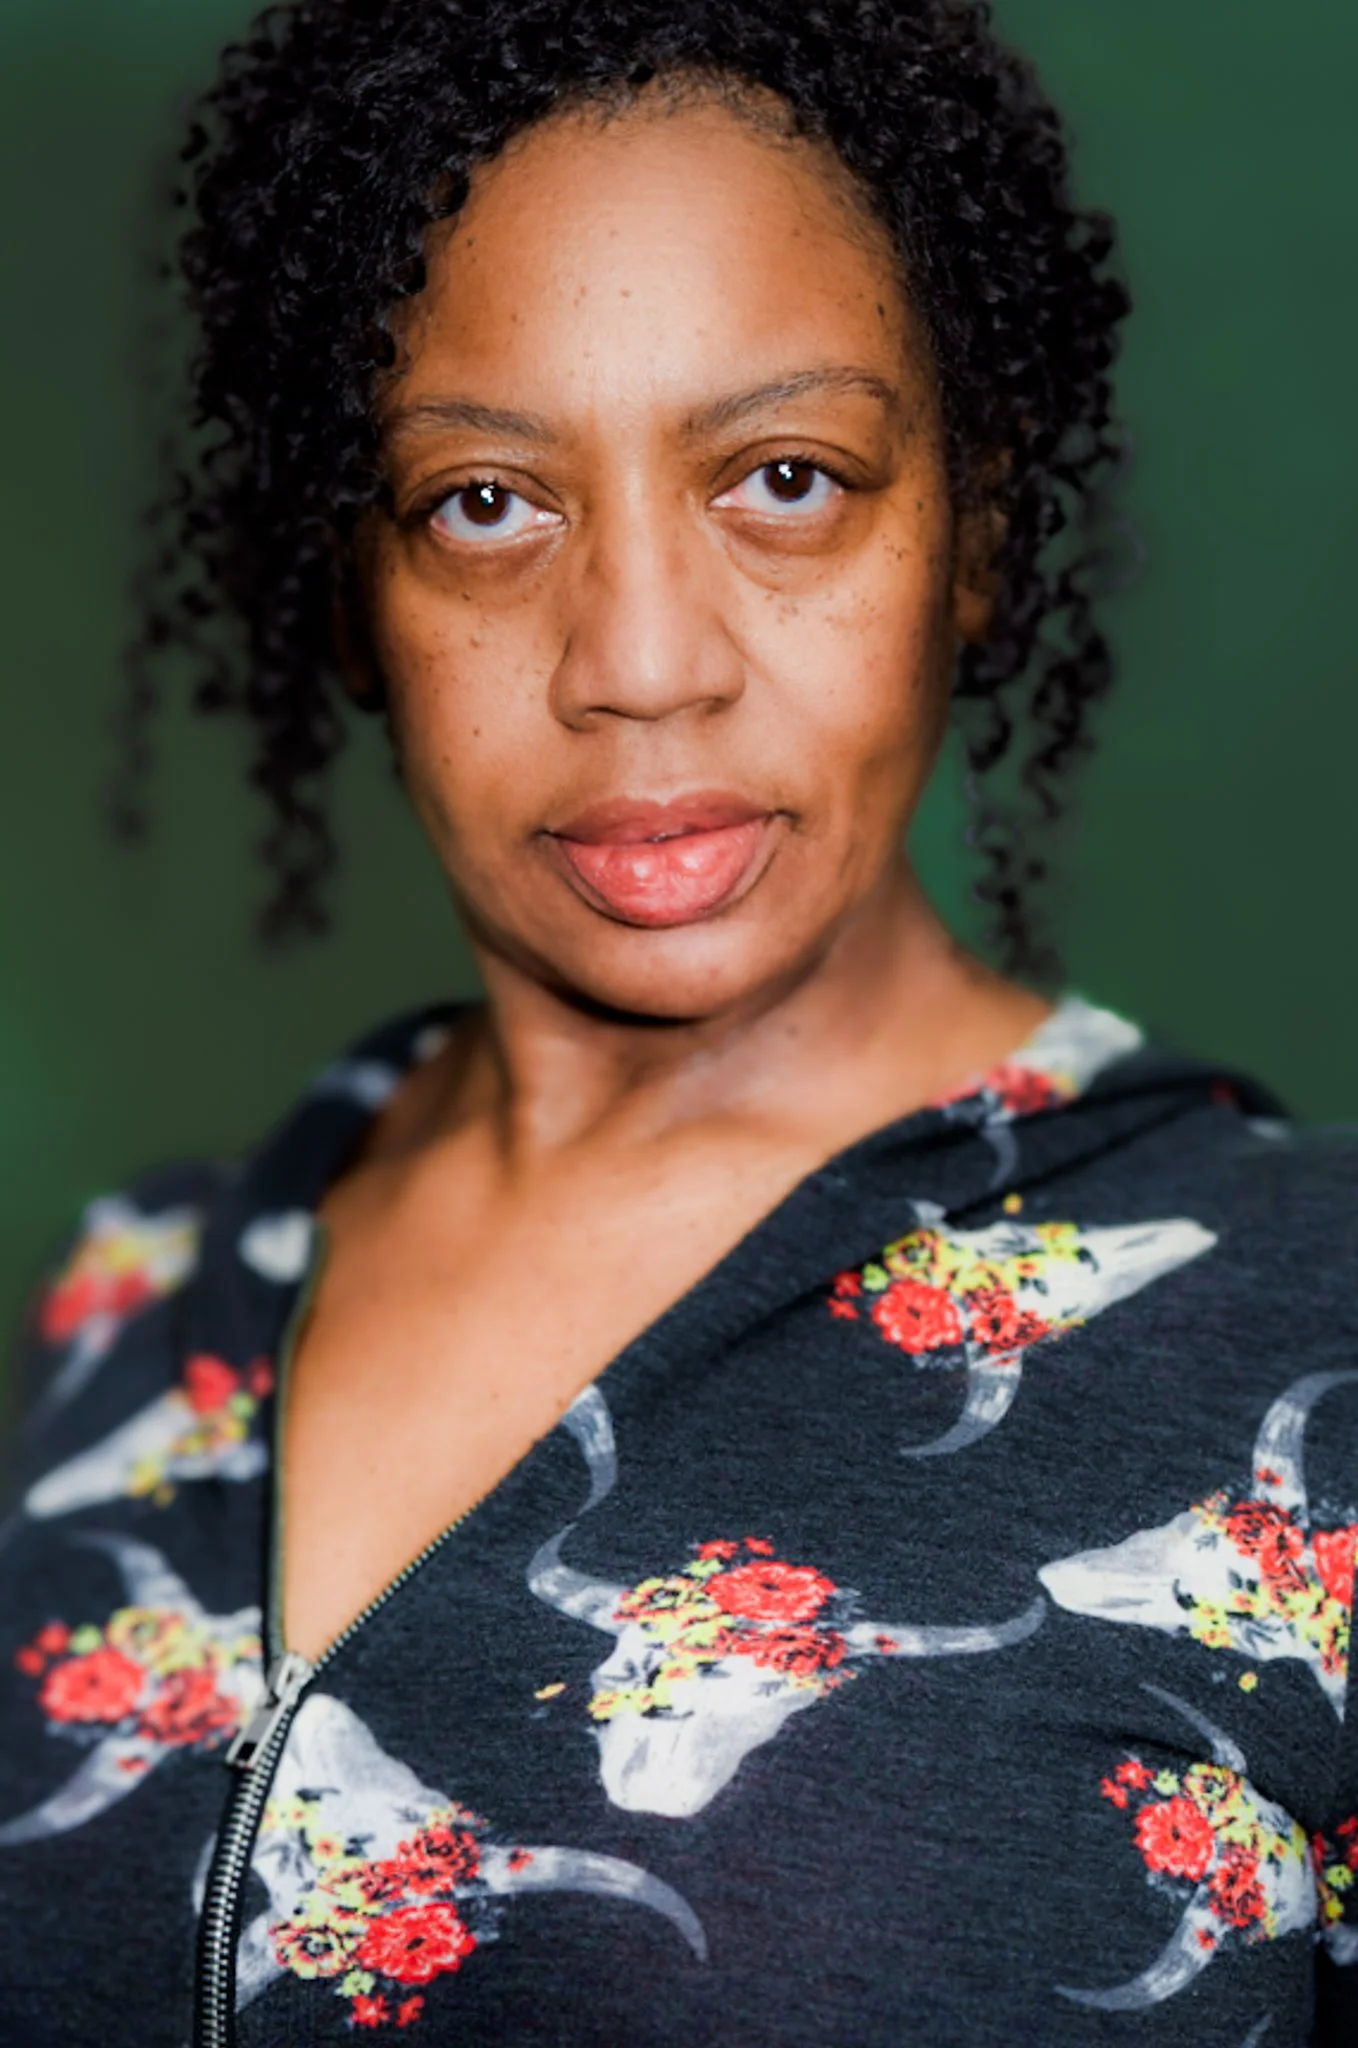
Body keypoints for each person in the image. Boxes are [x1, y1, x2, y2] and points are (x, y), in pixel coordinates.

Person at [1, 2, 1354, 2042]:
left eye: (785, 478)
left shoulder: (1314, 1310)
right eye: (484, 502)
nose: (638, 659)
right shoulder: (138, 1298)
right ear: (350, 584)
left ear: (973, 536)